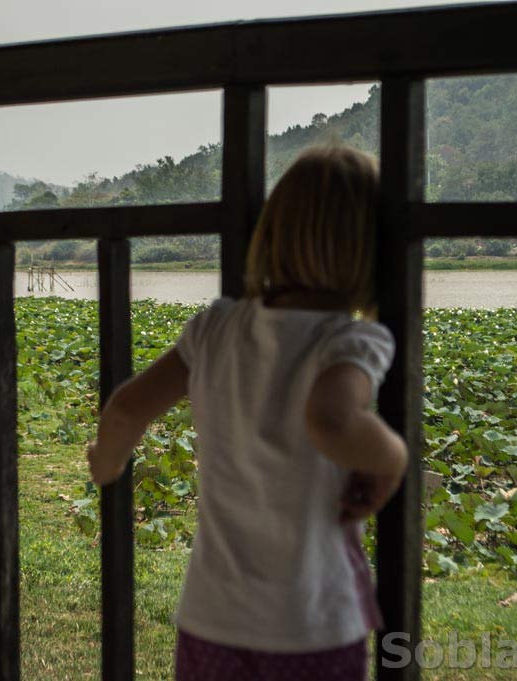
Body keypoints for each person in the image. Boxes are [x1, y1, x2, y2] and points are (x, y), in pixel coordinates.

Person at [86, 144, 409, 681]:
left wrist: (106, 464)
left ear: (270, 235)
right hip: (309, 624)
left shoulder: (216, 327)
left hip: (211, 618)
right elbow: (330, 421)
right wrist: (394, 459)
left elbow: (125, 409)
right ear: (375, 253)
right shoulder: (351, 341)